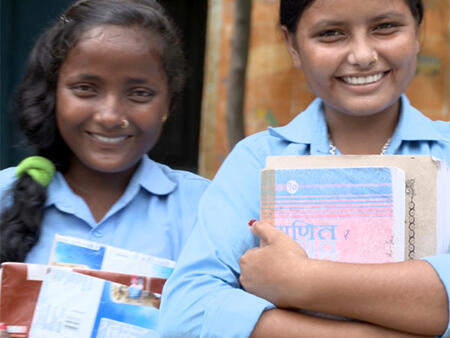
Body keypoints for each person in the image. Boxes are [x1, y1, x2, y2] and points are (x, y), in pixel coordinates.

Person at [158, 0, 450, 337]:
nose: (362, 54)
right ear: (292, 45)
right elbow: (186, 313)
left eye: (384, 27)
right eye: (331, 34)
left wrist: (299, 280)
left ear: (418, 32)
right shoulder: (254, 161)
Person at [0, 0, 209, 265]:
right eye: (85, 88)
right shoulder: (4, 195)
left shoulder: (205, 210)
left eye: (139, 94)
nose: (110, 116)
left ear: (168, 104)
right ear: (53, 93)